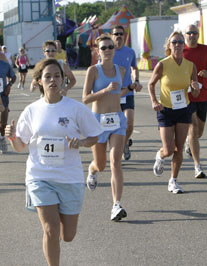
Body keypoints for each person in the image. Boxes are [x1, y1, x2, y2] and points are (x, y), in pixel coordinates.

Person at [5, 58, 102, 266]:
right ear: (39, 81)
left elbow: (95, 135)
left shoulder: (75, 108)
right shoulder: (32, 110)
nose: (53, 80)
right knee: (50, 229)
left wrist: (81, 142)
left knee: (67, 235)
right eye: (47, 76)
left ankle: (58, 222)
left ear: (63, 79)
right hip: (40, 177)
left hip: (69, 177)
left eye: (57, 76)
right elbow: (21, 146)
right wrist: (12, 137)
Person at [83, 34, 136, 221]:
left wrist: (130, 88)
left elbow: (119, 92)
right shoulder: (93, 71)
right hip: (98, 121)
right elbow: (85, 98)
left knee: (115, 162)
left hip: (117, 120)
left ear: (115, 49)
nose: (107, 50)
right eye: (103, 47)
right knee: (101, 164)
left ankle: (116, 205)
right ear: (98, 51)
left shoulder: (121, 70)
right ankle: (92, 170)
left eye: (110, 47)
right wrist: (104, 91)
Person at [147, 31, 200, 194]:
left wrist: (195, 88)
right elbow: (151, 84)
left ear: (184, 45)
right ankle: (160, 156)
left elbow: (195, 92)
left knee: (178, 148)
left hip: (183, 109)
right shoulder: (163, 64)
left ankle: (173, 181)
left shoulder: (190, 65)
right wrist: (154, 102)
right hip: (165, 110)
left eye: (180, 42)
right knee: (168, 149)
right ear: (169, 46)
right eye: (174, 42)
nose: (177, 45)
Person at [183, 24, 207, 179]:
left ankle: (189, 143)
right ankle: (198, 166)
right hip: (186, 97)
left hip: (203, 96)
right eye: (189, 33)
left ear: (198, 35)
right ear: (185, 35)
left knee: (199, 132)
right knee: (193, 128)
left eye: (195, 33)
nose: (192, 35)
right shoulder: (180, 51)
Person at [111, 25, 143, 161]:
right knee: (113, 126)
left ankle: (124, 144)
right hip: (112, 94)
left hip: (127, 92)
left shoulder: (130, 52)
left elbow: (134, 68)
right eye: (116, 34)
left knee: (129, 124)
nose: (118, 36)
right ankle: (116, 150)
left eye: (121, 34)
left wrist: (136, 80)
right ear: (112, 36)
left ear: (124, 36)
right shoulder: (107, 52)